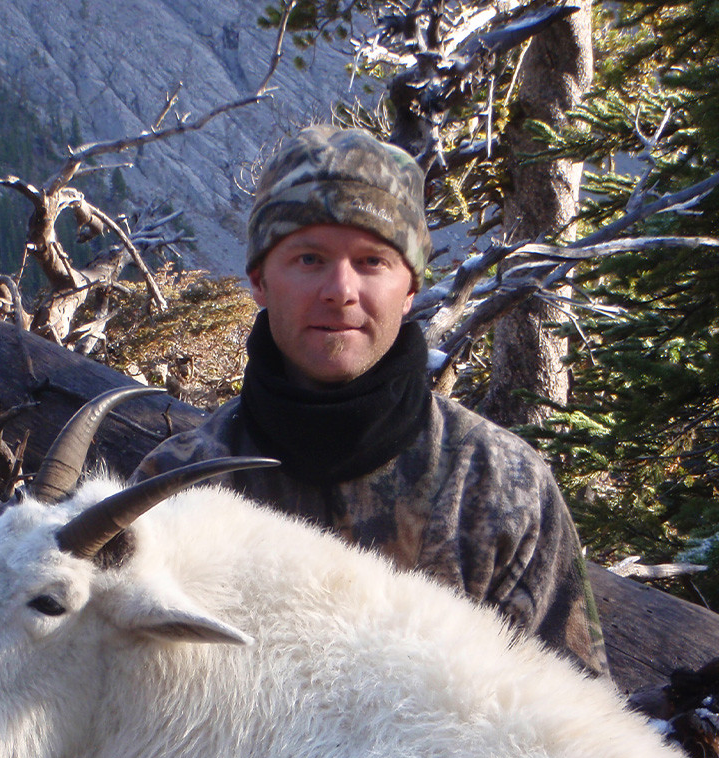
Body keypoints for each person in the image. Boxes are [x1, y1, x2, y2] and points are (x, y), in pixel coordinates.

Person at [134, 125, 608, 677]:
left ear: (411, 287)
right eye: (309, 258)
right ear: (260, 281)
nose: (340, 289)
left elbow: (573, 722)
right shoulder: (178, 485)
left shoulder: (501, 485)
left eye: (371, 261)